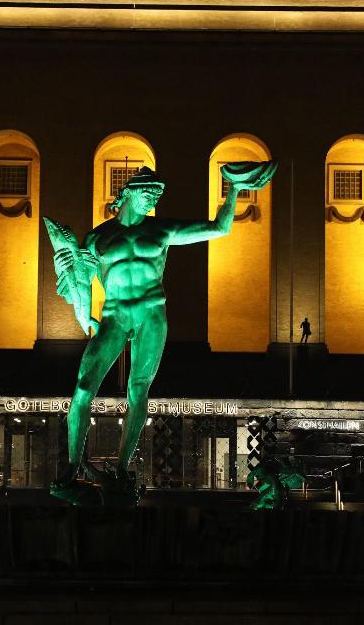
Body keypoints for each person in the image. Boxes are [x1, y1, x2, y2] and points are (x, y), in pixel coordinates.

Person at [46, 162, 277, 495]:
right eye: (147, 195)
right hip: (114, 314)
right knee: (83, 387)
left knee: (137, 390)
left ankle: (122, 468)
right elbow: (81, 279)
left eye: (155, 198)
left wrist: (235, 189)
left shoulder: (162, 230)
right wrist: (83, 311)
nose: (151, 203)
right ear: (128, 193)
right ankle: (71, 466)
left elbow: (220, 228)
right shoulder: (98, 236)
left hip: (151, 313)